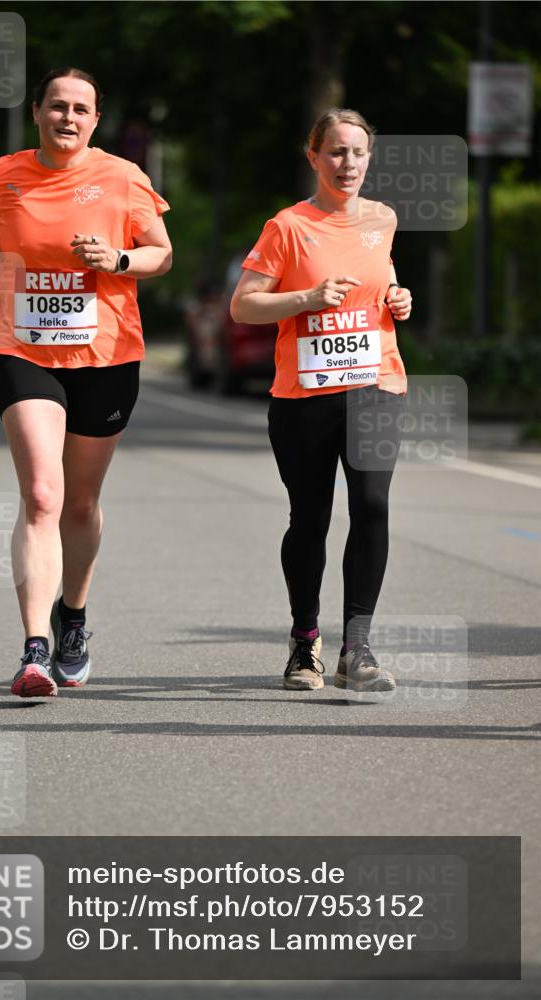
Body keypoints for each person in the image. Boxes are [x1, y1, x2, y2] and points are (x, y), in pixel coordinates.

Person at [0, 67, 172, 697]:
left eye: (81, 109)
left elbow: (162, 251)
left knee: (79, 503)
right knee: (43, 496)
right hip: (22, 350)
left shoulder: (122, 177)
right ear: (37, 113)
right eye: (57, 106)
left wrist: (120, 259)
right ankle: (33, 650)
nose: (68, 117)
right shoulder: (5, 174)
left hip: (106, 356)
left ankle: (72, 617)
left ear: (96, 120)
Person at [230, 109, 412, 694]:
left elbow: (381, 283)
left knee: (373, 504)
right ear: (313, 158)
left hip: (376, 383)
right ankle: (305, 642)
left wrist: (399, 298)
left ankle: (356, 646)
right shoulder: (287, 227)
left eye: (358, 152)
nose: (348, 163)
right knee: (310, 519)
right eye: (335, 152)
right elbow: (243, 305)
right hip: (305, 395)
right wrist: (306, 297)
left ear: (370, 157)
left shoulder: (382, 219)